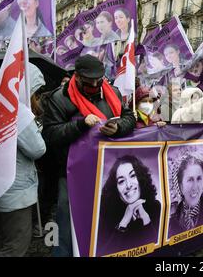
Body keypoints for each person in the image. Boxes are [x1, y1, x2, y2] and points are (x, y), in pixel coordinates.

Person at [42, 55, 136, 257]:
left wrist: (118, 127)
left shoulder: (113, 93)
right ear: (77, 76)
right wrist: (80, 124)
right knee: (67, 218)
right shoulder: (59, 98)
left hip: (106, 170)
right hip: (71, 172)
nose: (94, 84)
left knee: (103, 215)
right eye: (88, 81)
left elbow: (130, 117)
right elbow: (50, 135)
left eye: (98, 80)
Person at [0, 64, 46, 257]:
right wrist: (34, 128)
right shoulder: (16, 110)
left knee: (2, 237)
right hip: (15, 191)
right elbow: (38, 149)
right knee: (15, 244)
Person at [96, 155, 161, 256]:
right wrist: (124, 222)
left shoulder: (156, 207)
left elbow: (159, 251)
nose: (128, 185)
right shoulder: (104, 213)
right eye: (121, 181)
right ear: (115, 188)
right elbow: (104, 253)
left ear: (141, 178)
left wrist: (146, 220)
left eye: (133, 176)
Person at [168, 153, 203, 237]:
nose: (195, 187)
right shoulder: (172, 220)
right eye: (190, 180)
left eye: (199, 179)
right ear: (180, 186)